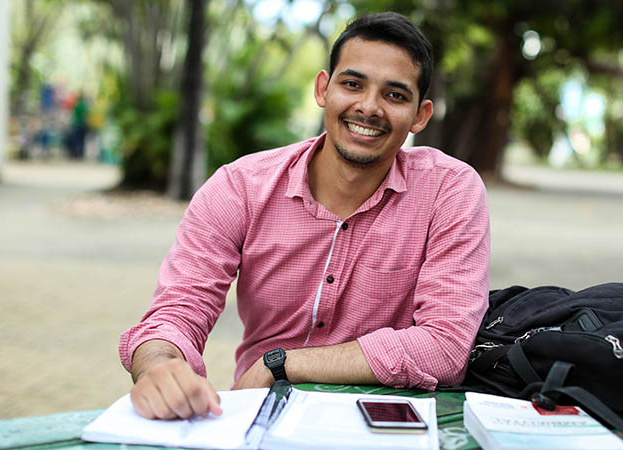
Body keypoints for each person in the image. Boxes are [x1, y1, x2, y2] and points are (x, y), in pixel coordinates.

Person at [120, 12, 490, 421]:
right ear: (323, 89)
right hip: (261, 419)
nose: (368, 107)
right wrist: (158, 366)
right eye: (352, 84)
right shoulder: (240, 187)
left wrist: (280, 364)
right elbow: (176, 312)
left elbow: (445, 344)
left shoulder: (449, 190)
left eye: (395, 95)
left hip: (388, 423)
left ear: (420, 116)